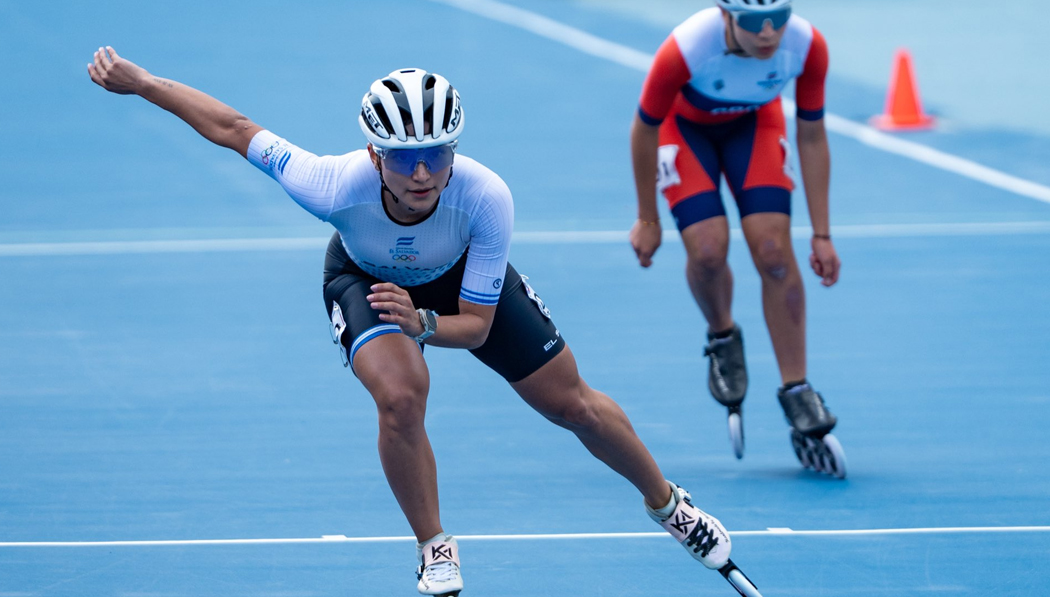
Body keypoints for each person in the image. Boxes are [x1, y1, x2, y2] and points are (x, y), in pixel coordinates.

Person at [88, 48, 738, 595]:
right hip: (365, 276)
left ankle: (670, 506)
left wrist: (424, 319)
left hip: (457, 285)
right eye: (403, 157)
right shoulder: (330, 183)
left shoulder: (485, 196)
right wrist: (144, 84)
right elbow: (233, 127)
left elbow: (478, 327)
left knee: (574, 406)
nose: (422, 172)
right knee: (401, 397)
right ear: (374, 155)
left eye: (435, 152)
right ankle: (434, 546)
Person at [628, 0, 846, 477]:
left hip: (755, 126)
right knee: (707, 250)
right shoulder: (685, 47)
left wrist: (823, 234)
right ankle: (722, 334)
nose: (768, 32)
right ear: (726, 15)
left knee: (773, 251)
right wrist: (648, 218)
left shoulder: (808, 46)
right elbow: (643, 129)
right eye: (752, 21)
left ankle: (797, 388)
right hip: (683, 130)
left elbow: (812, 136)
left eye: (778, 18)